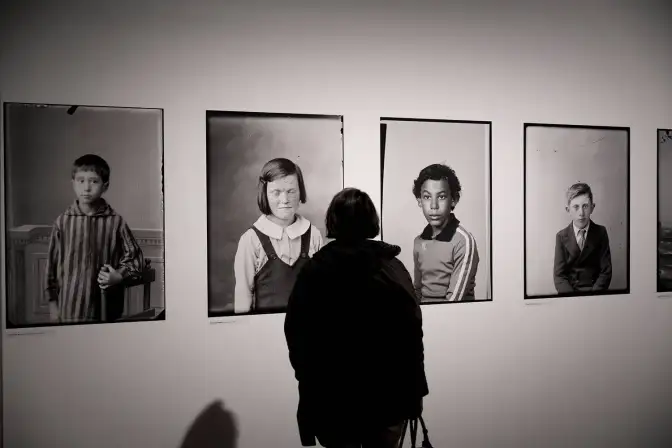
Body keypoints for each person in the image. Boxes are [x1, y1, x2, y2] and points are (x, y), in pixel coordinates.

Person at [284, 188, 428, 448]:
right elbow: (411, 334)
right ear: (371, 220)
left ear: (333, 220)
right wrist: (415, 392)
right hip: (388, 397)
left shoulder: (315, 271)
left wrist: (309, 383)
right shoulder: (391, 269)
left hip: (332, 401)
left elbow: (297, 337)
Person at [45, 154, 145, 324]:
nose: (86, 188)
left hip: (106, 308)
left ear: (105, 186)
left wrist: (119, 276)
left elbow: (136, 260)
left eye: (94, 181)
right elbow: (51, 267)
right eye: (81, 181)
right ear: (73, 183)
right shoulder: (63, 222)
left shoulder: (115, 221)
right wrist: (53, 304)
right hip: (70, 308)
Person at [233, 158, 323, 314]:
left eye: (291, 191)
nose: (285, 200)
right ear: (265, 194)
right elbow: (243, 296)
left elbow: (323, 292)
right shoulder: (251, 239)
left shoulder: (313, 235)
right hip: (264, 331)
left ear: (300, 191)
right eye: (276, 192)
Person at [412, 163, 479, 303]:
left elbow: (454, 300)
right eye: (427, 197)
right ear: (419, 200)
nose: (433, 206)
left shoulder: (463, 241)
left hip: (454, 316)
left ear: (454, 199)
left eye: (441, 197)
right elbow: (417, 291)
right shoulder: (419, 241)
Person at [553, 182, 612, 293]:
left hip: (595, 294)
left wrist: (593, 297)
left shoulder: (601, 233)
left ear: (592, 208)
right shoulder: (561, 236)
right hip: (571, 296)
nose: (581, 213)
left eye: (585, 206)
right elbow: (559, 276)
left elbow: (606, 272)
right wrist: (573, 299)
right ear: (568, 210)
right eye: (576, 207)